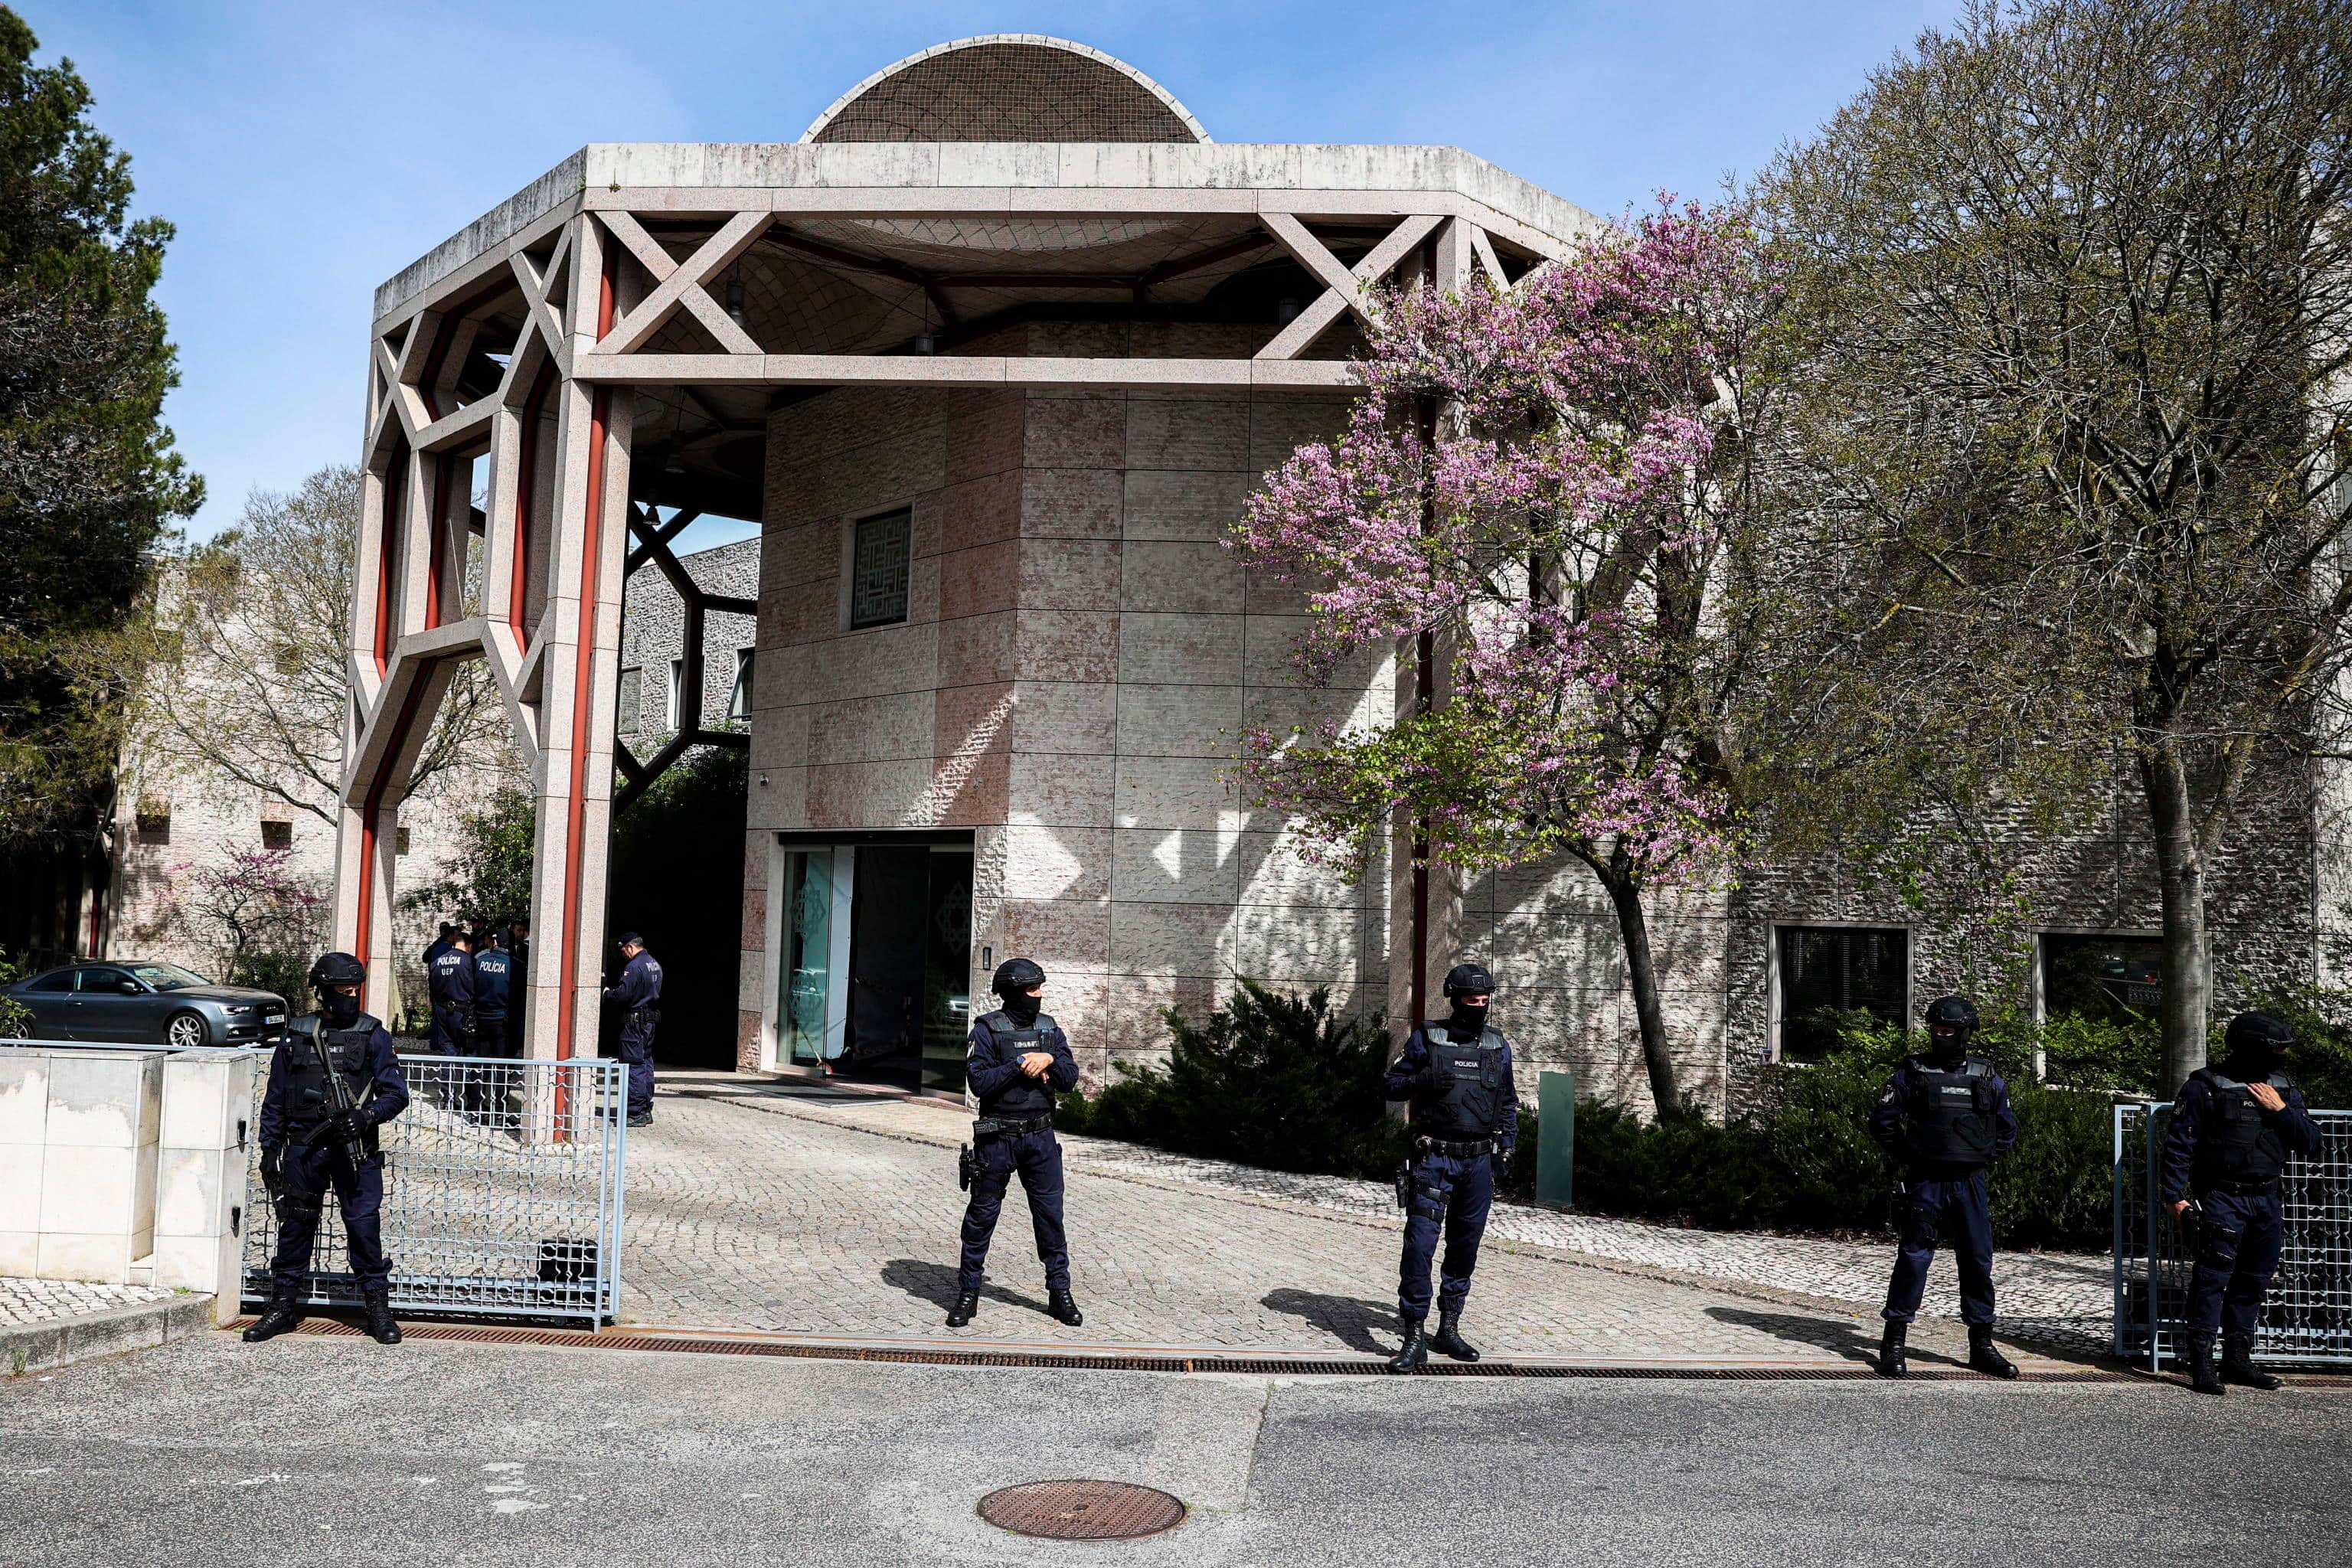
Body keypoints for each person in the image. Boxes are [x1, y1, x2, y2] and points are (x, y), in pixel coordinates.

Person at [243, 952, 411, 1346]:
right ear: (322, 992)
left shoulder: (374, 1035)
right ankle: (282, 1307)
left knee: (363, 1227)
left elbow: (396, 1094)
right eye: (342, 990)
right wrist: (270, 1148)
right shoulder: (297, 1034)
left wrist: (366, 1117)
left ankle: (377, 1310)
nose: (350, 997)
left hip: (355, 1149)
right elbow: (277, 1096)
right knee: (296, 1224)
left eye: (355, 990)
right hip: (304, 1148)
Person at [2161, 1010, 2323, 1395]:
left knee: (2253, 1281)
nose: (2282, 1057)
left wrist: (2281, 1112)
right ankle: (2201, 1364)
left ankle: (2237, 1361)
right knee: (2212, 1280)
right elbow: (2180, 1145)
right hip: (2221, 1198)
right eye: (2276, 1050)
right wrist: (2174, 1198)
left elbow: (2312, 1143)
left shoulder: (2282, 1089)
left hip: (2267, 1198)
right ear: (2253, 1049)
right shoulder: (2207, 1086)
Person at [1867, 996, 2020, 1380]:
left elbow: (2007, 1129)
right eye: (1936, 1030)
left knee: (1977, 1262)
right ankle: (1894, 1343)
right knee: (1914, 1258)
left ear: (1967, 1033)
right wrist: (1915, 1157)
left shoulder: (1987, 1076)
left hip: (1970, 1183)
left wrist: (1977, 1156)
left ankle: (1982, 1345)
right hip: (1927, 1182)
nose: (1941, 1037)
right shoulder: (1912, 1073)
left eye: (1948, 1031)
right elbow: (1882, 1123)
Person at [1381, 962, 1519, 1374]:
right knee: (1420, 1247)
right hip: (1434, 1160)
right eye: (1470, 999)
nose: (1479, 1006)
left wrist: (1508, 1147)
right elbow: (1390, 1085)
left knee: (1464, 1248)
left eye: (1484, 999)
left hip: (1478, 1162)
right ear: (1454, 999)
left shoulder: (1497, 1046)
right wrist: (1423, 1080)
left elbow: (1508, 1103)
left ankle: (1449, 1329)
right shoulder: (1429, 1038)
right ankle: (1413, 1335)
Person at [945, 957, 1083, 1330]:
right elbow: (980, 1084)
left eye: (1039, 988)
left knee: (1051, 1219)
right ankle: (968, 1293)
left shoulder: (1050, 1030)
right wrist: (1020, 1064)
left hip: (1040, 1137)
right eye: (1032, 989)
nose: (1038, 995)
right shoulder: (987, 1030)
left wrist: (1050, 1058)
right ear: (1013, 992)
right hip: (997, 1138)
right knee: (980, 1219)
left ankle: (1060, 1293)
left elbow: (1070, 1079)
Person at [603, 932, 662, 1129]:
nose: (624, 955)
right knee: (646, 1063)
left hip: (635, 1024)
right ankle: (645, 1107)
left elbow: (623, 995)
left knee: (633, 1066)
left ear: (630, 947)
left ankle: (636, 1112)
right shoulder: (653, 963)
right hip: (649, 1022)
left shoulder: (634, 967)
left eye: (623, 951)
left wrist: (608, 993)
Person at [472, 926, 517, 1123]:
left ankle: (476, 1109)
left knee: (481, 1065)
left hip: (481, 1018)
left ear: (495, 942)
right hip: (502, 1022)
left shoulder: (479, 961)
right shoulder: (514, 965)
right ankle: (499, 1110)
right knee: (501, 1067)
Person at [420, 921, 459, 1051]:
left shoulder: (436, 948)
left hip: (435, 984)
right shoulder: (451, 951)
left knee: (437, 1012)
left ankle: (436, 1040)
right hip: (447, 986)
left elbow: (427, 960)